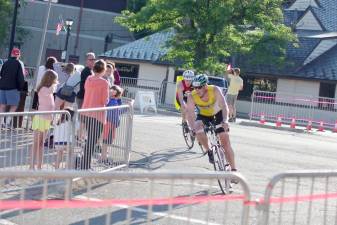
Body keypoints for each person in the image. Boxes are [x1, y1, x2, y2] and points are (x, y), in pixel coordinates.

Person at [186, 74, 237, 173]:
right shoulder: (192, 96)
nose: (197, 90)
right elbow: (190, 114)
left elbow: (224, 106)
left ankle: (234, 170)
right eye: (195, 87)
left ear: (205, 85)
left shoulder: (214, 90)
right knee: (197, 128)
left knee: (225, 141)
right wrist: (192, 128)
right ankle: (209, 151)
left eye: (199, 87)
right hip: (204, 116)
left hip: (218, 114)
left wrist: (225, 121)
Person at [80, 59, 109, 170]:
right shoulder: (104, 83)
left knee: (90, 140)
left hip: (86, 112)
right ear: (103, 70)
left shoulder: (88, 79)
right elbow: (104, 101)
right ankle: (85, 165)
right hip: (97, 115)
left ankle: (85, 163)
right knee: (92, 141)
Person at [30, 70, 58, 170]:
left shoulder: (49, 89)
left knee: (41, 143)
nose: (56, 81)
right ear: (50, 79)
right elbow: (53, 89)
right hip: (40, 118)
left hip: (47, 119)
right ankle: (32, 165)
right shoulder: (43, 89)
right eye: (55, 79)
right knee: (36, 142)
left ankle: (39, 166)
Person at [0, 48, 25, 127]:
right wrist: (20, 88)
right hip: (13, 88)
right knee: (14, 105)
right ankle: (7, 122)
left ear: (11, 54)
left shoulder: (5, 62)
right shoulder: (18, 63)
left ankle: (1, 122)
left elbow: (1, 74)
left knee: (2, 105)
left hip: (2, 87)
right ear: (18, 55)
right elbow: (20, 78)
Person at [100, 85, 123, 165]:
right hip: (109, 123)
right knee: (105, 141)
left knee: (108, 140)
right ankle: (103, 158)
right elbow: (116, 112)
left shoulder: (114, 101)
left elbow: (118, 111)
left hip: (112, 123)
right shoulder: (110, 101)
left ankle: (104, 156)